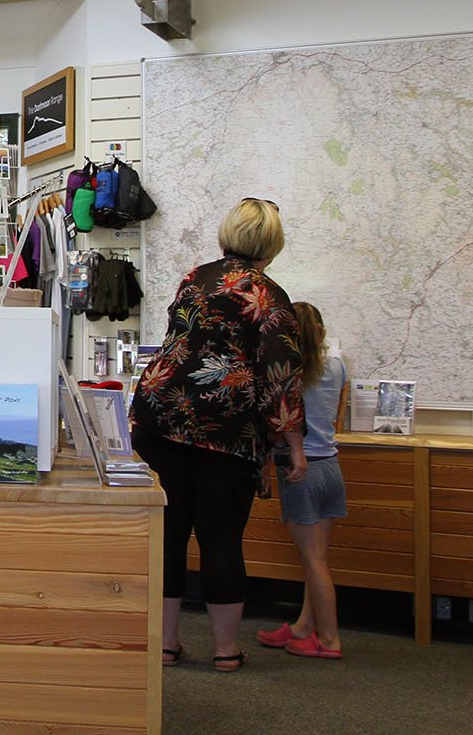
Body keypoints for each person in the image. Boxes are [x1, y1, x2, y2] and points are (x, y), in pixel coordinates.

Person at [129, 197, 306, 672]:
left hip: (160, 420)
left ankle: (165, 646)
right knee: (221, 539)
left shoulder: (194, 279)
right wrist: (293, 448)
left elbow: (177, 343)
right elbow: (281, 377)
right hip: (226, 432)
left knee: (166, 536)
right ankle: (226, 651)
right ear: (273, 243)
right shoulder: (270, 297)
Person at [257, 302, 348, 660]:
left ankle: (329, 640)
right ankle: (303, 627)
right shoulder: (336, 365)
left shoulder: (289, 371)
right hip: (331, 466)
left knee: (312, 561)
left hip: (302, 470)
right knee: (319, 559)